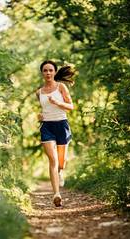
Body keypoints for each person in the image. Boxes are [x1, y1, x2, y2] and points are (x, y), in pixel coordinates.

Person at [36, 60, 75, 207]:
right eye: (45, 70)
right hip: (47, 127)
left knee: (61, 163)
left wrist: (57, 103)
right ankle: (56, 194)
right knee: (52, 160)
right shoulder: (39, 92)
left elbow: (71, 106)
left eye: (50, 70)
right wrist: (40, 116)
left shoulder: (61, 87)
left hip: (62, 125)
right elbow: (43, 110)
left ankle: (60, 172)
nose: (48, 73)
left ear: (54, 72)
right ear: (42, 73)